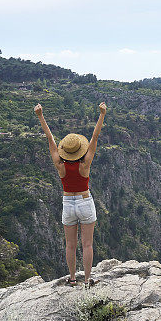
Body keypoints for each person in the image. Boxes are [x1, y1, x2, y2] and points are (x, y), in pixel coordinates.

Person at [34, 101, 107, 287]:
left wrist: (41, 116)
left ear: (65, 150)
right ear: (79, 150)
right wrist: (102, 114)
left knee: (70, 245)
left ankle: (73, 279)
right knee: (87, 245)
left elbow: (50, 140)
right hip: (84, 200)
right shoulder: (85, 164)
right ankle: (88, 280)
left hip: (68, 202)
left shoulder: (60, 165)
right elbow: (95, 138)